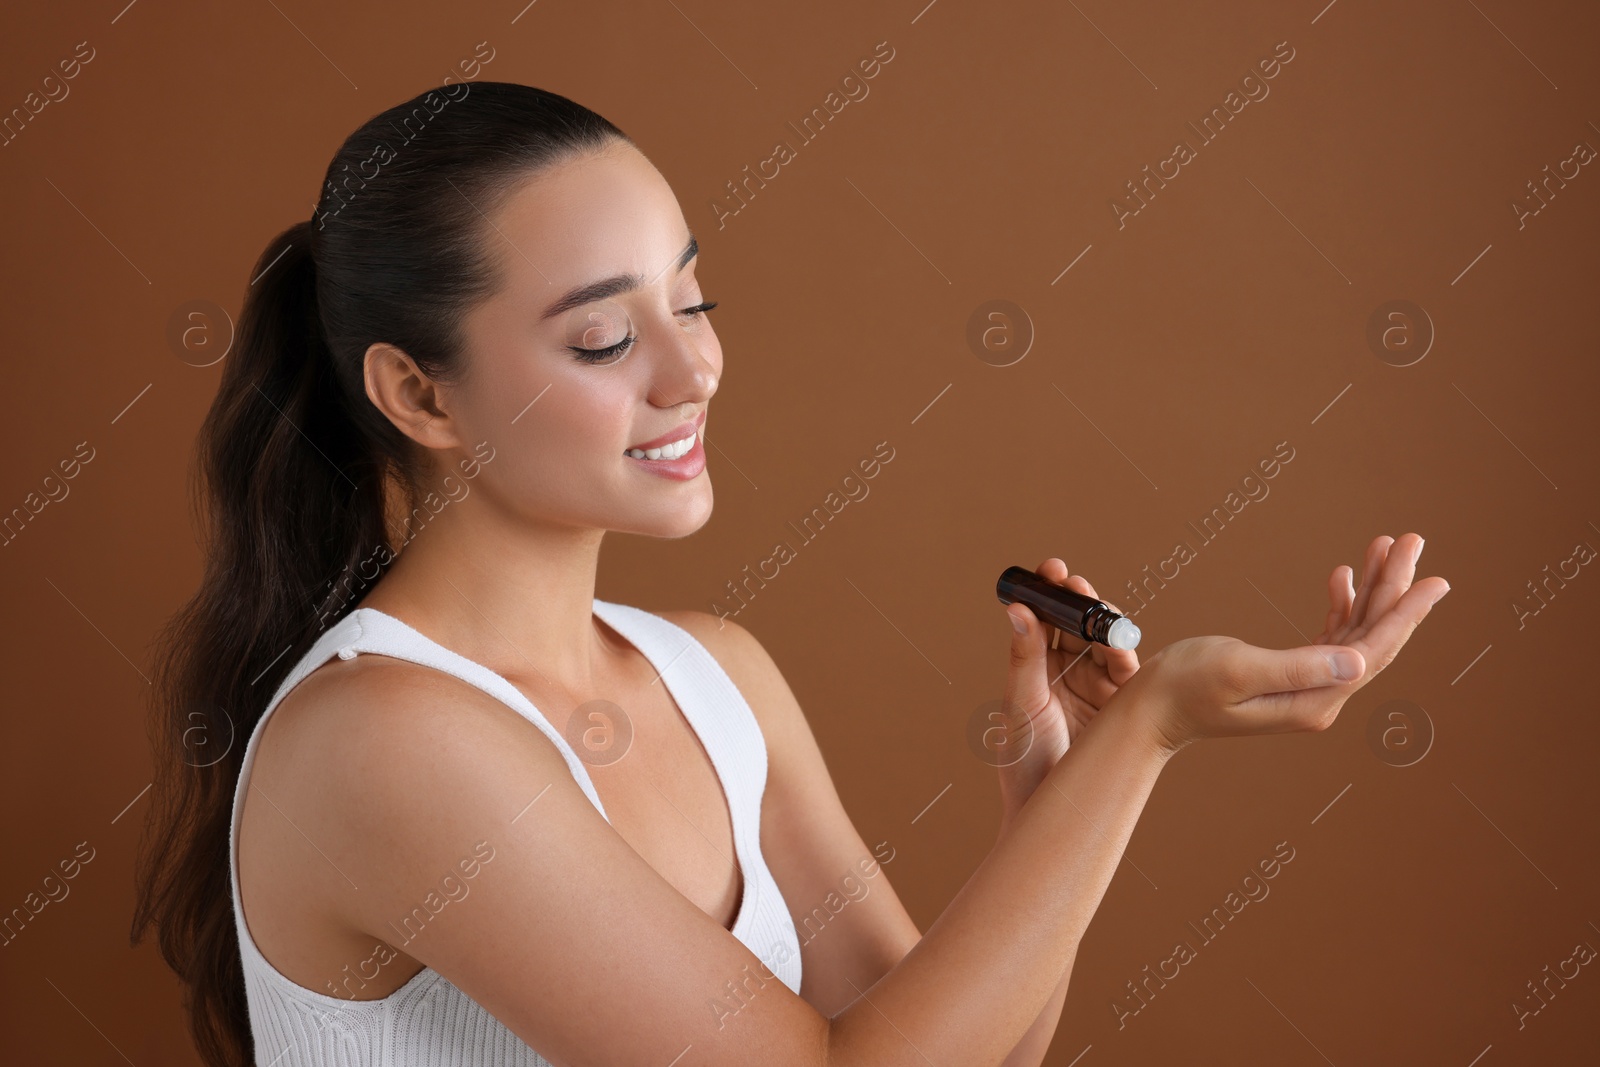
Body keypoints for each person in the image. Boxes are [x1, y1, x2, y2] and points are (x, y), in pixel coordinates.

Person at [130, 81, 1450, 1067]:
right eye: (602, 336)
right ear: (417, 391)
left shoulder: (718, 677)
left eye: (691, 301)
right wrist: (1150, 732)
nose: (694, 369)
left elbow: (957, 1052)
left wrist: (1048, 807)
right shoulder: (384, 741)